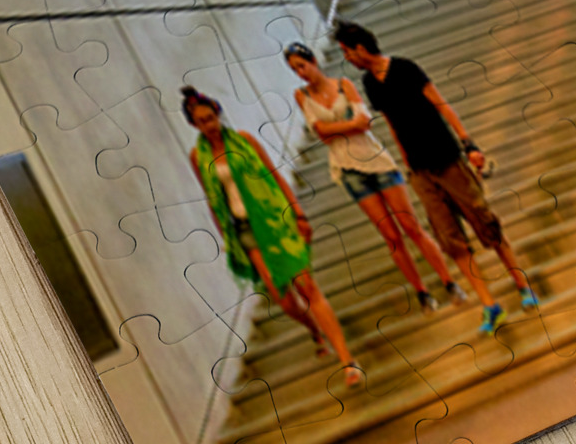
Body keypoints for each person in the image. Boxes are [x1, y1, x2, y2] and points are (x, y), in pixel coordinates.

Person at [333, 22, 539, 336]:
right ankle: (489, 304)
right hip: (420, 171)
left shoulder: (405, 68)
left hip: (447, 158)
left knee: (484, 222)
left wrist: (468, 143)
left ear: (360, 47)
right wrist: (407, 163)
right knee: (449, 237)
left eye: (347, 51)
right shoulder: (370, 83)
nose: (347, 58)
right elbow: (390, 123)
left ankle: (522, 283)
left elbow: (440, 102)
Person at [183, 86, 361, 386]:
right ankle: (314, 330)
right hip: (244, 230)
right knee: (282, 297)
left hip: (274, 220)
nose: (208, 125)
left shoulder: (244, 140)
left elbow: (275, 176)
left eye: (211, 118)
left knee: (307, 286)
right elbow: (213, 200)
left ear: (218, 114)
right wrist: (226, 241)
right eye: (201, 121)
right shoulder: (197, 157)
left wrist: (297, 213)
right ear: (193, 124)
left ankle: (347, 360)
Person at [284, 42, 460, 314]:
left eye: (302, 65)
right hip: (347, 168)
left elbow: (365, 122)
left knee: (410, 225)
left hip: (376, 161)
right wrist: (348, 125)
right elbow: (320, 132)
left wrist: (340, 128)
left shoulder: (343, 85)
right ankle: (421, 291)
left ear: (313, 61)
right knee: (391, 235)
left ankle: (449, 281)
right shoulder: (302, 95)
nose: (301, 72)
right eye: (295, 69)